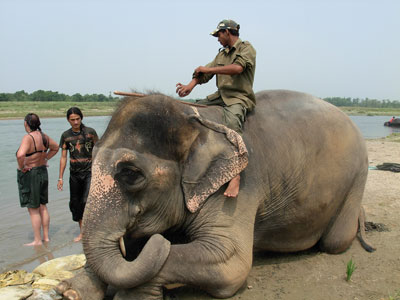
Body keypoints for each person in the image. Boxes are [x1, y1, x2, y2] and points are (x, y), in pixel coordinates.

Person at [176, 19, 256, 198]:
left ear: (228, 32)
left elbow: (237, 68)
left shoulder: (246, 48)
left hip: (238, 97)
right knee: (191, 110)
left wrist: (208, 69)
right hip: (219, 96)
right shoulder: (221, 54)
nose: (217, 39)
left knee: (232, 126)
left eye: (219, 34)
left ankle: (235, 175)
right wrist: (190, 85)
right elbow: (205, 73)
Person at [16, 113, 59, 246]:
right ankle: (46, 237)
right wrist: (45, 158)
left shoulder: (28, 137)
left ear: (26, 124)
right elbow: (56, 147)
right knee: (43, 206)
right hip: (42, 171)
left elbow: (20, 154)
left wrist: (22, 166)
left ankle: (37, 240)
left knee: (33, 208)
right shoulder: (44, 136)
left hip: (31, 173)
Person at [57, 107, 98, 242]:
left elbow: (99, 151)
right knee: (76, 203)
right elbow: (63, 157)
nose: (75, 122)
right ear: (68, 120)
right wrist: (60, 178)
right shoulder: (65, 136)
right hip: (74, 174)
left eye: (77, 119)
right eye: (72, 120)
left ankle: (91, 230)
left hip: (89, 172)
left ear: (82, 118)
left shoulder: (90, 133)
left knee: (86, 201)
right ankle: (82, 233)